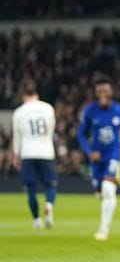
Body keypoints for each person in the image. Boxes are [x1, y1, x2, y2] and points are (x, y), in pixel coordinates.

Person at [78, 75, 120, 241]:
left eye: (105, 90)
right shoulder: (90, 111)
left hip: (114, 155)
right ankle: (104, 189)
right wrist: (89, 152)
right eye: (100, 91)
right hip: (96, 157)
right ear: (96, 93)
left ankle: (103, 230)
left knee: (108, 188)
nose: (103, 93)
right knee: (100, 191)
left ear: (111, 91)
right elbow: (81, 134)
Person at [12, 82, 57, 230]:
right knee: (51, 185)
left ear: (24, 96)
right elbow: (50, 130)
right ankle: (49, 205)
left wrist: (15, 155)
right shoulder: (48, 108)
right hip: (46, 151)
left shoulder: (19, 112)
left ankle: (37, 220)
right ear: (37, 94)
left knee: (31, 189)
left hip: (28, 153)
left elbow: (17, 137)